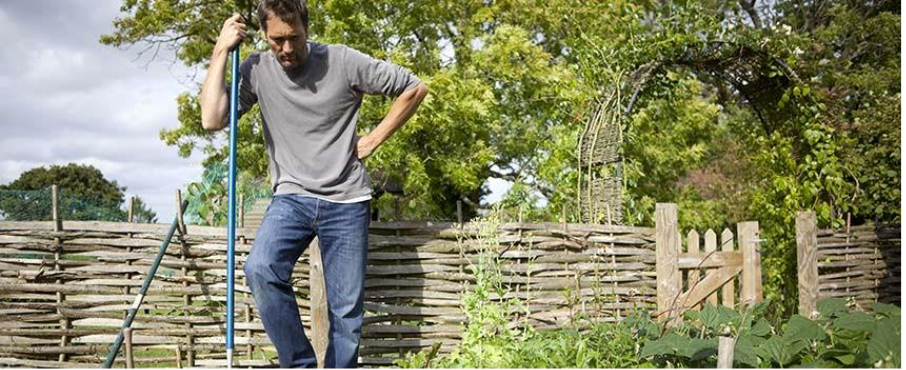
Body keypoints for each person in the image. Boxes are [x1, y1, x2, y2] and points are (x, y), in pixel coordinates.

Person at [199, 0, 428, 368]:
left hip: (348, 199)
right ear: (263, 33)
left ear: (306, 28)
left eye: (294, 38)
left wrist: (374, 138)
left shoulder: (343, 60)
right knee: (260, 268)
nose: (287, 49)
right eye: (277, 40)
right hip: (292, 198)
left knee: (346, 316)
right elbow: (212, 119)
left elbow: (414, 87)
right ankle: (300, 364)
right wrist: (221, 50)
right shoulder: (255, 69)